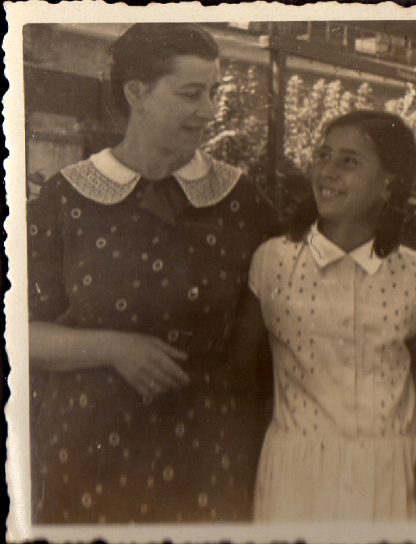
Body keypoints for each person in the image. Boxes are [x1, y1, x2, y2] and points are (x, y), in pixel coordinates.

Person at [27, 23, 280, 523]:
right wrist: (114, 347)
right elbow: (18, 332)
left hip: (207, 454)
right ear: (135, 93)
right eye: (191, 94)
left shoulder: (241, 201)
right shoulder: (64, 200)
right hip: (88, 454)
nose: (208, 111)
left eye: (213, 92)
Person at [236, 111, 416, 521]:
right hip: (297, 476)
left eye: (349, 161)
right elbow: (243, 376)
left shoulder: (415, 273)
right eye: (323, 155)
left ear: (389, 183)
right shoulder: (274, 262)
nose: (327, 171)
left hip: (396, 474)